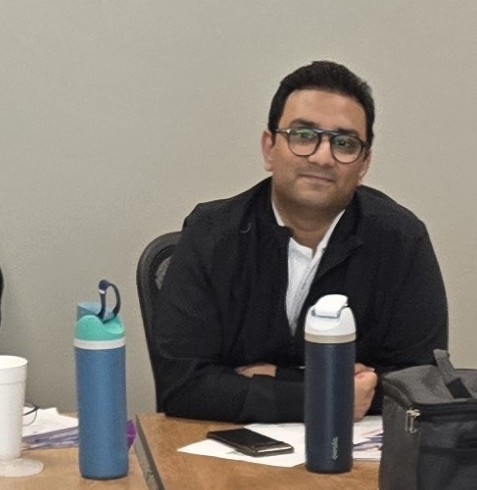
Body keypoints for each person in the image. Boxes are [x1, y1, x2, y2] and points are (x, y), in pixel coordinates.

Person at [148, 60, 451, 424]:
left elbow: (421, 382)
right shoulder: (212, 234)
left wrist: (277, 379)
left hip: (356, 464)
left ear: (364, 162)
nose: (323, 157)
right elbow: (182, 386)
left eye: (344, 143)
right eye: (303, 136)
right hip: (225, 456)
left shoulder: (401, 241)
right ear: (269, 148)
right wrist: (327, 395)